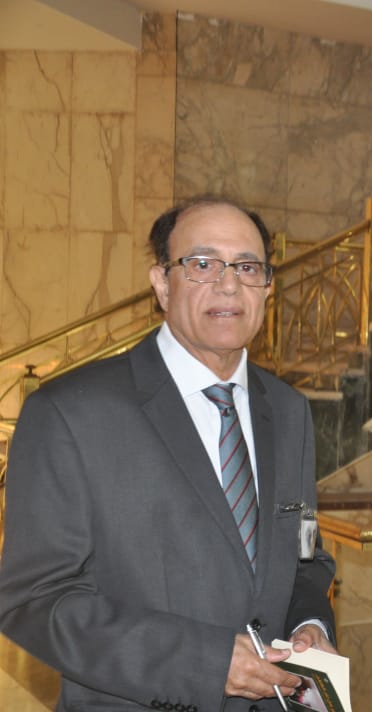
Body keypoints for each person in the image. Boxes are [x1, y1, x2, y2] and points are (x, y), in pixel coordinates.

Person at [0, 196, 338, 711]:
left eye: (248, 267)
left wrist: (309, 624)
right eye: (202, 264)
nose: (229, 285)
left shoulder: (289, 410)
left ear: (268, 287)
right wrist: (205, 663)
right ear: (161, 282)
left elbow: (306, 553)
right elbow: (34, 600)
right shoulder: (71, 413)